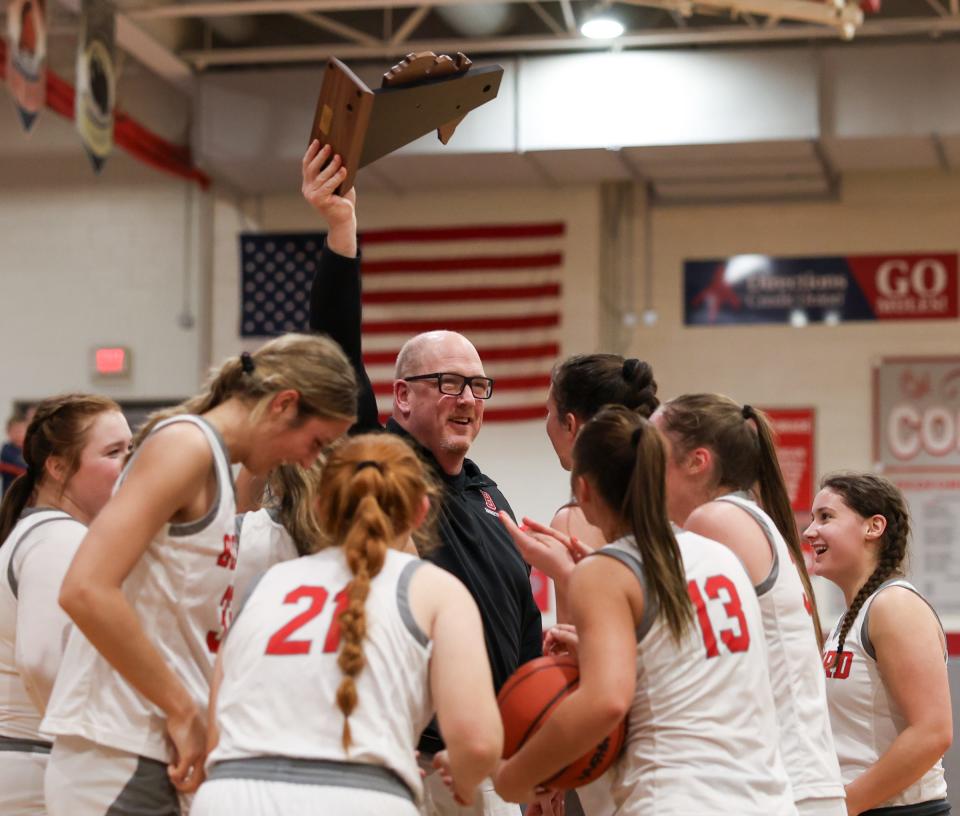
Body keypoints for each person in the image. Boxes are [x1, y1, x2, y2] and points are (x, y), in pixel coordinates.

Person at [302, 141, 543, 816]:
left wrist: (532, 743)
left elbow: (521, 622)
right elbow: (336, 351)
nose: (467, 397)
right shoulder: (385, 465)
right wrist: (341, 232)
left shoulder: (492, 494)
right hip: (411, 755)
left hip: (492, 760)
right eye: (447, 383)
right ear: (401, 397)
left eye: (478, 385)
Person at [40, 334, 358, 815]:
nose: (312, 461)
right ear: (283, 404)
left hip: (154, 749)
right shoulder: (185, 445)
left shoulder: (215, 468)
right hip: (119, 744)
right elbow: (84, 589)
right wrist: (182, 709)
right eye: (316, 442)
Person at [493, 406, 796, 815]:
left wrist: (513, 776)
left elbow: (605, 703)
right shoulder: (721, 557)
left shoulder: (608, 572)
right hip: (767, 799)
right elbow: (677, 666)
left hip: (677, 798)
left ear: (582, 490)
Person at [193, 432, 503, 815]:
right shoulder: (434, 589)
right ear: (422, 510)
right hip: (357, 797)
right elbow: (477, 744)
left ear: (321, 507)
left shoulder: (264, 586)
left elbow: (215, 732)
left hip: (232, 793)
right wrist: (463, 776)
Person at [649, 393, 845, 815]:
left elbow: (694, 661)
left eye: (653, 449)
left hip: (780, 782)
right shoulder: (745, 518)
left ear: (697, 461)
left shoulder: (715, 521)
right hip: (798, 778)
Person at [0, 394, 131, 815]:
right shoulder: (59, 538)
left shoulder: (41, 531)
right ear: (57, 467)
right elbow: (41, 659)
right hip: (34, 764)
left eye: (131, 449)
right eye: (113, 453)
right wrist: (91, 747)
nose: (128, 464)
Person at [805, 473, 952, 816]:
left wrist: (844, 806)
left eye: (826, 517)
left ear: (873, 527)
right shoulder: (852, 615)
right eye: (812, 518)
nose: (810, 531)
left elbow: (933, 732)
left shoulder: (894, 606)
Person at [1, 411, 28, 496]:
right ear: (8, 432)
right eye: (15, 431)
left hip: (27, 491)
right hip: (11, 492)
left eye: (21, 430)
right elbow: (5, 466)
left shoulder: (30, 449)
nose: (19, 434)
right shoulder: (7, 449)